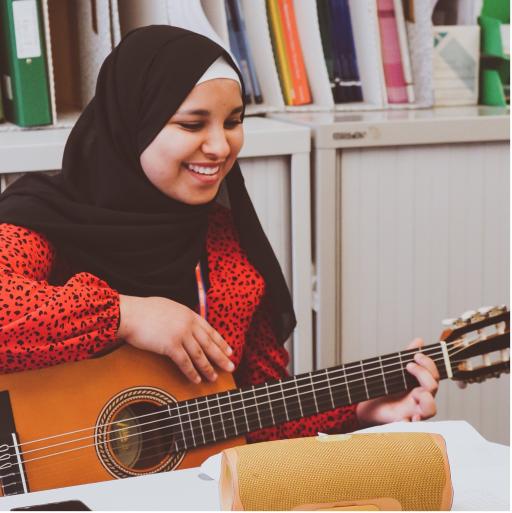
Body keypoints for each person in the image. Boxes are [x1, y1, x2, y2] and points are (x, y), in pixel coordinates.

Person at [0, 26, 439, 443]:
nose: (220, 146)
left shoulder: (225, 255)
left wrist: (358, 412)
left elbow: (253, 416)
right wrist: (127, 316)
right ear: (132, 125)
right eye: (192, 124)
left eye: (232, 121)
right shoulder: (41, 220)